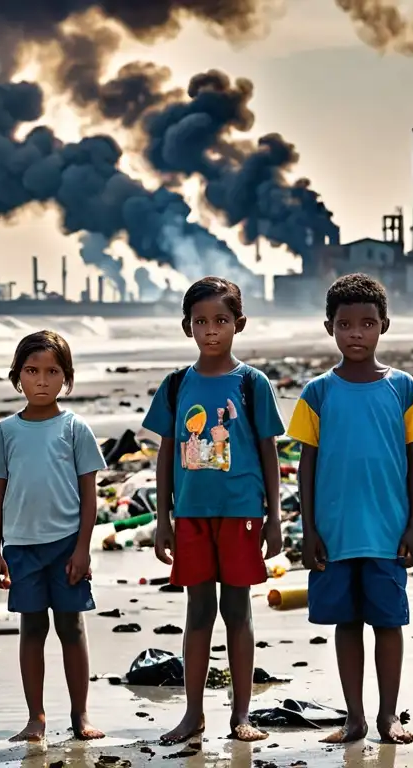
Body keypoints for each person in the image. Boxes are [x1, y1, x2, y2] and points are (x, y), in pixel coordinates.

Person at [287, 273, 413, 745]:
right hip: (333, 535)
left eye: (367, 324)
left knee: (389, 624)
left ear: (384, 326)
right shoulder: (318, 392)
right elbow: (304, 467)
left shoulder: (403, 388)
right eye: (346, 324)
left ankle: (388, 716)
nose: (357, 333)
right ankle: (354, 717)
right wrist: (307, 529)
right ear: (329, 326)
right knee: (346, 624)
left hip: (388, 533)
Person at [143, 276, 285, 745]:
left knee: (238, 610)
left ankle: (241, 713)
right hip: (190, 516)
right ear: (187, 327)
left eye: (220, 320)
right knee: (198, 611)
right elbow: (166, 455)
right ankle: (192, 714)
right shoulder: (176, 384)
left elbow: (268, 453)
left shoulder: (251, 383)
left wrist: (275, 519)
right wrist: (161, 519)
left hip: (242, 512)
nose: (211, 330)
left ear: (238, 324)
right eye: (201, 321)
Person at [0, 330, 107, 742]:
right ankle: (35, 717)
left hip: (67, 546)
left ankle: (81, 715)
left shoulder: (75, 429)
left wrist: (83, 548)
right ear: (17, 376)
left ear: (66, 379)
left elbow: (90, 495)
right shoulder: (4, 432)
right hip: (20, 548)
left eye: (52, 372)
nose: (41, 380)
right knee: (31, 630)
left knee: (71, 628)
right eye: (32, 371)